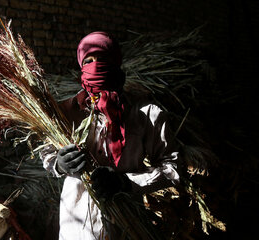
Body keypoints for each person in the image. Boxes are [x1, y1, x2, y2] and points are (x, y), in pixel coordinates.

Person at [40, 32, 180, 240]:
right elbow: (47, 153)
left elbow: (172, 168)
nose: (96, 66)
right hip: (75, 226)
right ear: (81, 66)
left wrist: (126, 182)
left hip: (126, 226)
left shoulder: (146, 114)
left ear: (115, 64)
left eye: (103, 60)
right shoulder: (64, 112)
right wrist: (59, 164)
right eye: (89, 61)